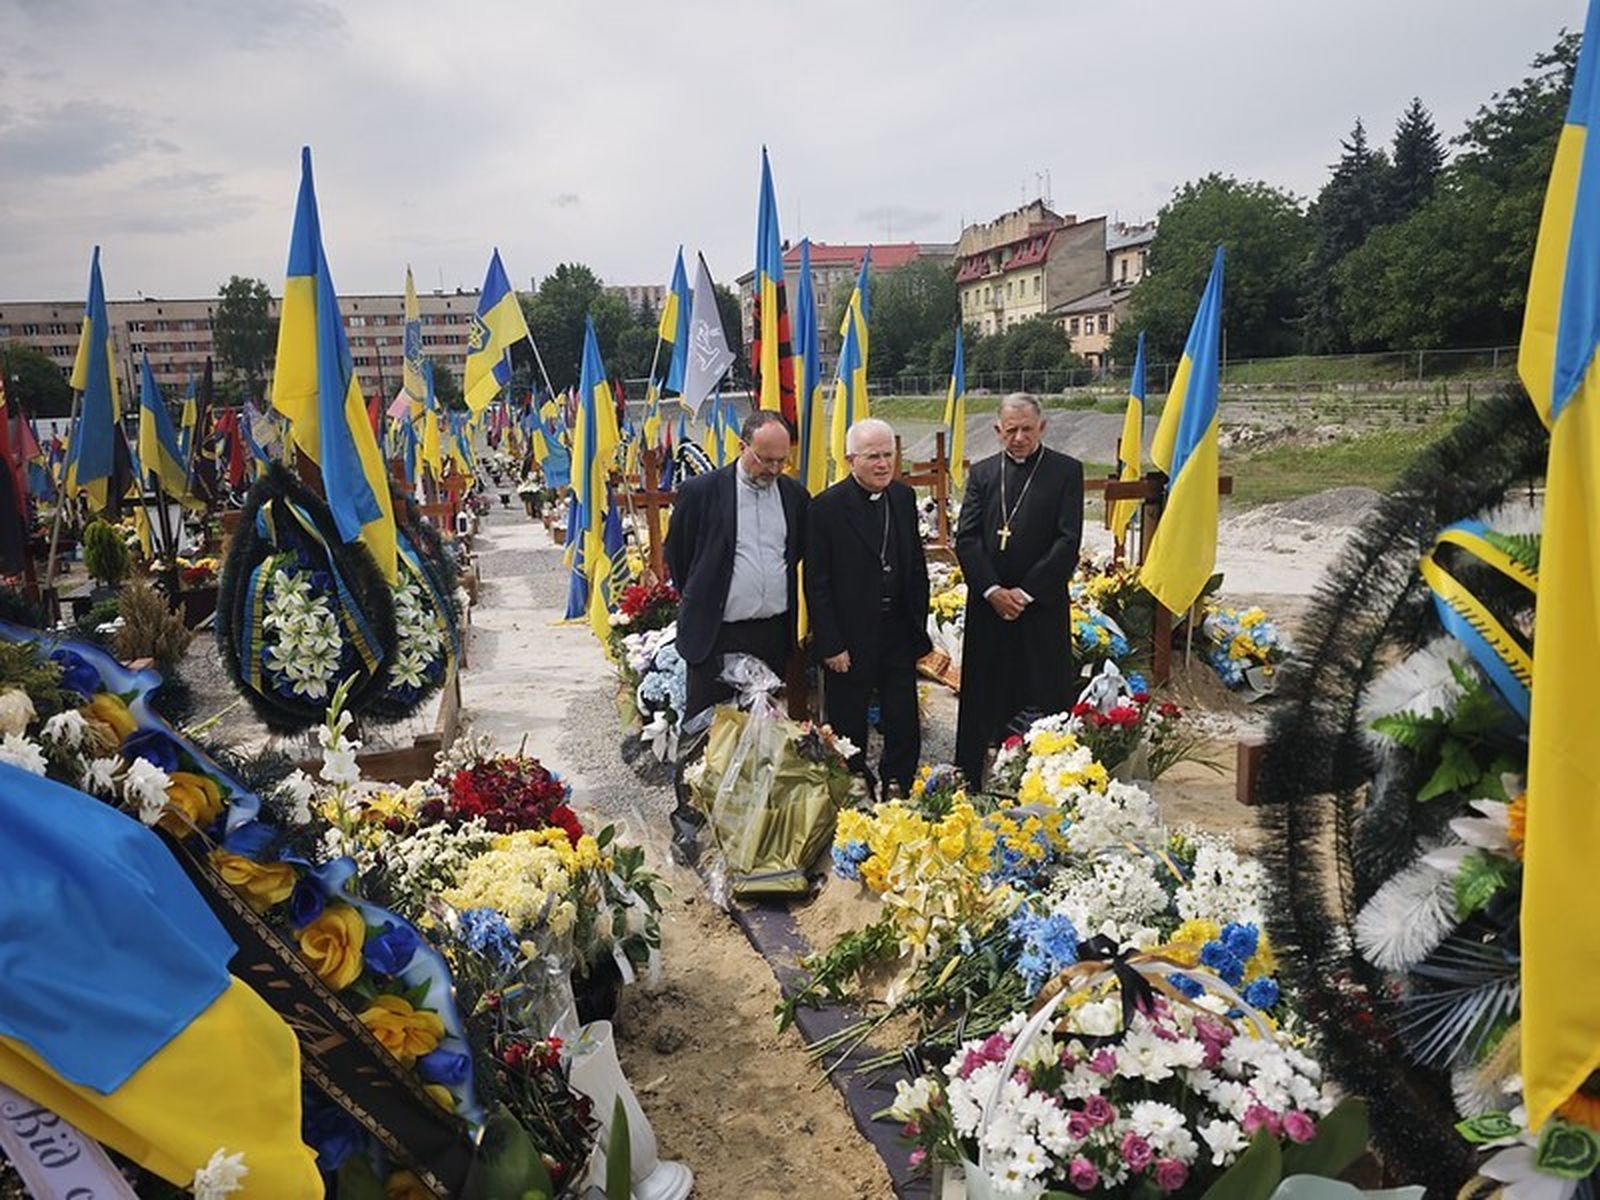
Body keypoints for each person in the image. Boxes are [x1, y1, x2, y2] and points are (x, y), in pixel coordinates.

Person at [954, 393, 1084, 787]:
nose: (1019, 438)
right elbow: (967, 538)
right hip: (989, 606)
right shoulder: (983, 474)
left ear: (1042, 427)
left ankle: (1046, 779)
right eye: (1011, 430)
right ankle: (973, 776)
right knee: (984, 690)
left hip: (1040, 606)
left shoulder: (1065, 471)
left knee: (1042, 689)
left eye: (1027, 429)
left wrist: (1024, 594)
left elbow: (1067, 541)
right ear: (998, 431)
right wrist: (993, 590)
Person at [805, 417, 932, 796]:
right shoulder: (825, 508)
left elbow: (914, 566)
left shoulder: (902, 497)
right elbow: (817, 582)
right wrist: (830, 643)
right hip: (850, 634)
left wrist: (917, 624)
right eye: (873, 456)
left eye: (888, 455)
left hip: (897, 627)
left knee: (902, 713)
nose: (883, 464)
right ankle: (855, 780)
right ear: (850, 459)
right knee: (848, 716)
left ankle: (898, 779)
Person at [665, 408, 809, 722]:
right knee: (708, 731)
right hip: (716, 632)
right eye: (765, 459)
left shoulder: (794, 495)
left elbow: (794, 555)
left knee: (763, 730)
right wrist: (703, 594)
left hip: (771, 632)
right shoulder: (701, 492)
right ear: (742, 446)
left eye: (781, 461)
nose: (773, 469)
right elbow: (679, 556)